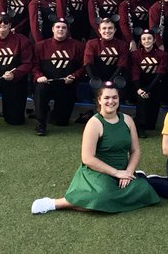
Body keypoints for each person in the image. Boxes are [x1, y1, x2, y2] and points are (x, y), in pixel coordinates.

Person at [31, 83, 160, 215]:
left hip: (123, 171)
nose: (111, 101)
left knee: (145, 190)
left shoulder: (127, 120)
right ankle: (56, 203)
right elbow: (87, 158)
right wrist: (116, 173)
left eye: (115, 97)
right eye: (106, 98)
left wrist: (128, 172)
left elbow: (135, 150)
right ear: (99, 100)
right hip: (98, 172)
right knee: (101, 198)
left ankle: (131, 182)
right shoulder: (94, 123)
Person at [32, 18, 86, 135]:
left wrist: (74, 76)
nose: (60, 29)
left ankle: (50, 114)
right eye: (58, 27)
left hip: (66, 85)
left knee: (61, 122)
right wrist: (39, 76)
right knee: (40, 90)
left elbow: (83, 67)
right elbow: (34, 65)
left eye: (63, 27)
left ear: (67, 30)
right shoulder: (40, 46)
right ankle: (41, 123)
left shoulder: (78, 46)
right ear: (52, 29)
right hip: (46, 84)